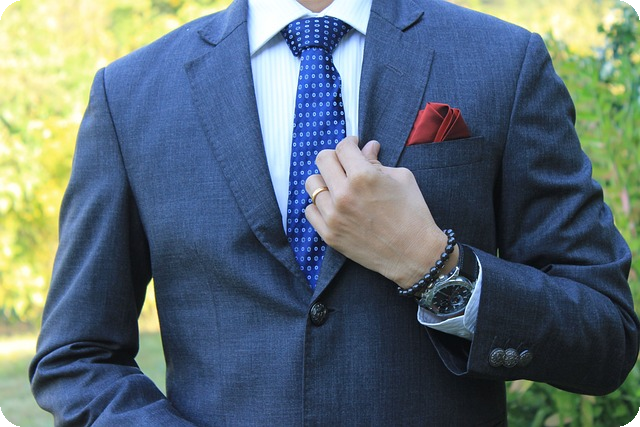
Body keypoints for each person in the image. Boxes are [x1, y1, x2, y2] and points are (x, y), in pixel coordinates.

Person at [30, 0, 639, 425]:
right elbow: (76, 357)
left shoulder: (503, 61)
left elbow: (606, 336)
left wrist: (431, 264)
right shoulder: (131, 94)